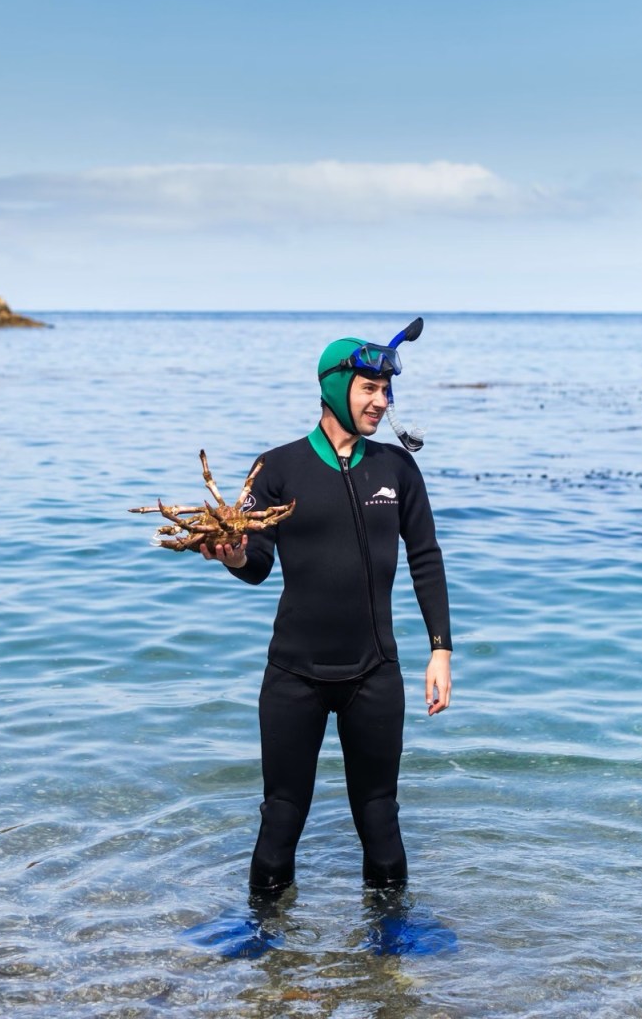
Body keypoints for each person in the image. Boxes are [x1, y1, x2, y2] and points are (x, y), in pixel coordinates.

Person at [200, 326, 452, 895]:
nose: (381, 402)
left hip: (375, 673)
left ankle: (390, 945)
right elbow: (255, 563)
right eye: (369, 389)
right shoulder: (277, 468)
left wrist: (441, 650)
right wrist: (233, 555)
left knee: (381, 823)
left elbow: (426, 558)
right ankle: (265, 941)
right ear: (335, 388)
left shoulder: (397, 469)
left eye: (386, 391)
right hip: (295, 676)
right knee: (280, 821)